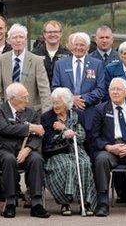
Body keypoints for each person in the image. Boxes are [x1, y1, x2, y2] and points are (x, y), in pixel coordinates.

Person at [89, 77, 126, 217]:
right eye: (112, 89)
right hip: (110, 148)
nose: (115, 92)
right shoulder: (100, 110)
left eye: (118, 89)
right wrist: (109, 147)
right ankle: (103, 203)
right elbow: (94, 137)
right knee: (101, 159)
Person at [0, 82, 49, 218]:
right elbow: (4, 128)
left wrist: (28, 149)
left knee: (36, 159)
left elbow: (38, 136)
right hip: (3, 150)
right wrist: (29, 128)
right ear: (12, 98)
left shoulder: (31, 112)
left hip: (25, 150)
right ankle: (10, 201)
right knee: (9, 159)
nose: (27, 101)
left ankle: (36, 203)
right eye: (24, 97)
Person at [41, 87, 96, 216]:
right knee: (67, 165)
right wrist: (63, 135)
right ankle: (65, 202)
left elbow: (82, 137)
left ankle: (86, 202)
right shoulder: (47, 117)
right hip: (56, 152)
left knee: (85, 164)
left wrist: (64, 128)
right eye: (53, 102)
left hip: (77, 149)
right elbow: (48, 140)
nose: (55, 106)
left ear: (66, 103)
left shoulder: (78, 114)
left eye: (58, 103)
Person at [0, 25, 50, 112]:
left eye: (21, 37)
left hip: (31, 113)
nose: (18, 40)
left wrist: (46, 115)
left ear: (26, 40)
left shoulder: (36, 60)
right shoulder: (1, 59)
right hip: (7, 114)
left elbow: (44, 91)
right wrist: (0, 113)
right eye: (14, 37)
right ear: (9, 40)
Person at [51, 31, 104, 111]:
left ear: (88, 47)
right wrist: (71, 99)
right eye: (76, 44)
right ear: (72, 46)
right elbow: (55, 87)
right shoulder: (60, 64)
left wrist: (82, 99)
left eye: (82, 45)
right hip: (65, 110)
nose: (78, 48)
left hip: (89, 109)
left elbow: (100, 89)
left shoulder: (97, 64)